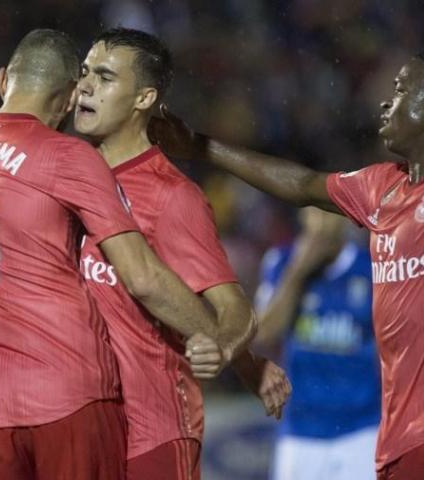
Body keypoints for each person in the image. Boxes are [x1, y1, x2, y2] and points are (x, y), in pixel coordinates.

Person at [150, 11, 424, 479]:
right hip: (399, 437)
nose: (384, 103)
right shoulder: (381, 190)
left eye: (399, 91)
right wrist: (201, 147)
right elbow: (302, 183)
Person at [0, 29, 229, 480]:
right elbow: (143, 276)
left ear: (1, 81)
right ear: (71, 97)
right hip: (70, 398)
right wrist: (213, 333)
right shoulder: (69, 157)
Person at [73, 27, 290, 480]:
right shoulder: (68, 176)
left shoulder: (171, 196)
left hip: (150, 429)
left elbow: (231, 309)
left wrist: (229, 351)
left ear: (144, 98)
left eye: (106, 77)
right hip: (78, 425)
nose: (86, 86)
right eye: (85, 72)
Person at [254, 208, 379, 480]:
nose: (321, 223)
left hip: (362, 429)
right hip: (301, 430)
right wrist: (298, 272)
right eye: (314, 212)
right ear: (302, 215)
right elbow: (265, 333)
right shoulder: (281, 261)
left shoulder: (370, 268)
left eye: (329, 212)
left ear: (346, 217)